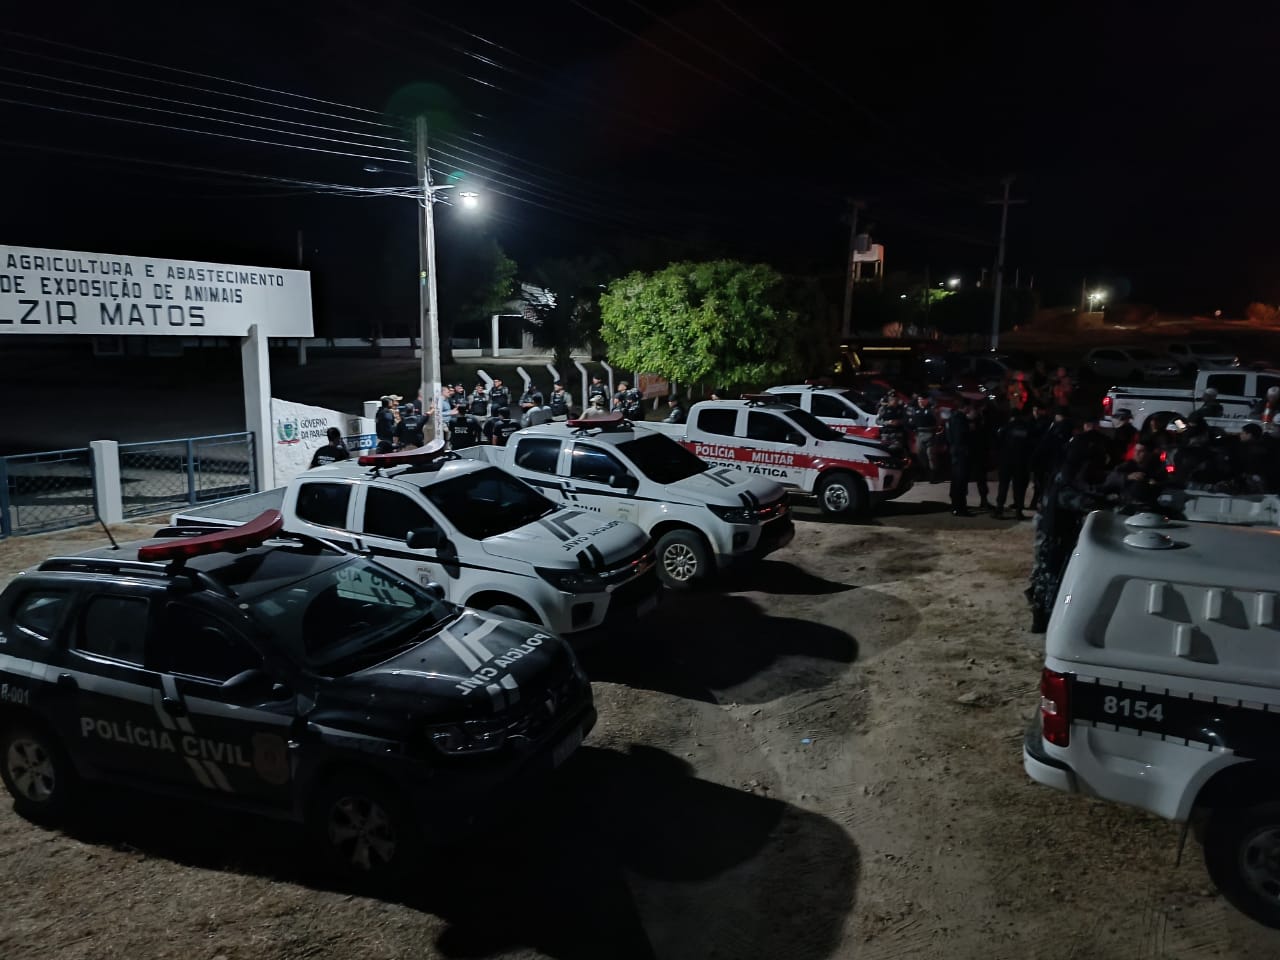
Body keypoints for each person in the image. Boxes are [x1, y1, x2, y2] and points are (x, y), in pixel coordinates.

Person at [1027, 434, 1113, 632]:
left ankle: (1041, 614)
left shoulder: (1065, 469)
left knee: (1046, 575)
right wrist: (1108, 502)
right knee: (1051, 577)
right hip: (1056, 533)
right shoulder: (1068, 474)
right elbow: (1075, 499)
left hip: (1053, 529)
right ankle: (1043, 618)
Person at [993, 409, 1034, 520]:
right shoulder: (1027, 428)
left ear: (1011, 417)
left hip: (1006, 461)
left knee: (1003, 486)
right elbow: (1031, 445)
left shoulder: (1005, 427)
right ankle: (1019, 512)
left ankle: (999, 510)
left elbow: (997, 443)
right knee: (1019, 487)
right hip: (1021, 462)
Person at [947, 402, 975, 516]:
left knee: (956, 480)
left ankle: (955, 506)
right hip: (961, 454)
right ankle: (960, 508)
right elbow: (961, 437)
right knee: (960, 482)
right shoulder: (960, 419)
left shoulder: (952, 418)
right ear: (965, 407)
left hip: (955, 452)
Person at [908, 394, 941, 483]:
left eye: (922, 399)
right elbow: (912, 422)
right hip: (919, 434)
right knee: (920, 454)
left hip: (930, 433)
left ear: (926, 400)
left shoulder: (931, 409)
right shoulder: (915, 410)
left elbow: (937, 421)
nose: (920, 401)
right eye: (919, 400)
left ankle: (934, 475)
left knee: (931, 455)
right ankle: (924, 473)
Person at [876, 391, 909, 457]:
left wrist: (899, 422)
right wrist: (887, 422)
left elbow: (906, 420)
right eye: (892, 399)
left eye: (895, 400)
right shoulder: (883, 408)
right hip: (886, 434)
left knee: (895, 450)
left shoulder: (902, 409)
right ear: (889, 400)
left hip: (897, 434)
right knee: (884, 451)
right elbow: (877, 421)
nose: (894, 401)